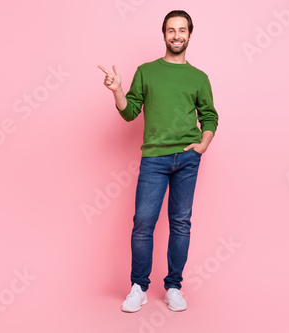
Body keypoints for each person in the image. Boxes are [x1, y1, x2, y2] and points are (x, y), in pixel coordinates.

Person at [98, 10, 219, 313]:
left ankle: (174, 287)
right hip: (154, 159)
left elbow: (209, 115)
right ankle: (138, 287)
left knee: (180, 223)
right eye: (171, 30)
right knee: (143, 223)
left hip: (188, 160)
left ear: (190, 35)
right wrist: (117, 91)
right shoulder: (146, 71)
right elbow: (130, 112)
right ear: (163, 34)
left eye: (182, 30)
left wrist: (202, 144)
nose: (176, 35)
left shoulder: (199, 78)